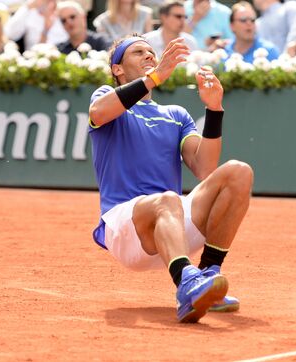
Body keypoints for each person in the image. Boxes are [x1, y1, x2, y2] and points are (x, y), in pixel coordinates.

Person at [87, 34, 253, 323]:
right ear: (118, 69)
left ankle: (207, 278)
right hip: (127, 229)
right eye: (139, 52)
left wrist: (214, 109)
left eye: (152, 51)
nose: (149, 55)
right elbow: (98, 113)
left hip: (171, 225)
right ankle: (186, 283)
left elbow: (204, 168)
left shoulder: (176, 115)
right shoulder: (104, 95)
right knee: (167, 200)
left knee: (239, 172)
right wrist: (154, 78)